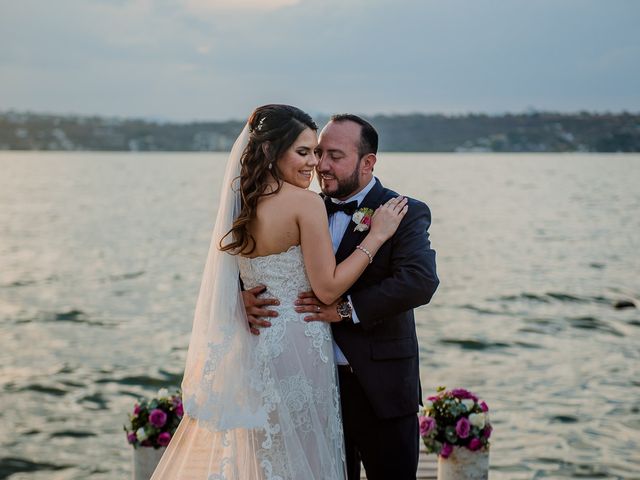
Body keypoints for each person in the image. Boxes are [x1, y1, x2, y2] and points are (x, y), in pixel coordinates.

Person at [150, 104, 408, 480]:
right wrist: (376, 237)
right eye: (303, 152)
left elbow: (230, 274)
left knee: (265, 456)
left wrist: (240, 298)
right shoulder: (305, 202)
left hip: (256, 345)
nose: (313, 165)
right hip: (298, 343)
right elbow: (327, 287)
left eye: (317, 153)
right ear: (271, 151)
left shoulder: (240, 200)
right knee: (306, 457)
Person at [244, 114, 439, 480]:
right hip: (312, 383)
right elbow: (260, 261)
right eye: (318, 153)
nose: (321, 165)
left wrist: (345, 310)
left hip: (380, 387)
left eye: (335, 156)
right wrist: (244, 297)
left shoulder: (402, 211)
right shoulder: (303, 206)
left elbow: (419, 281)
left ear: (368, 163)